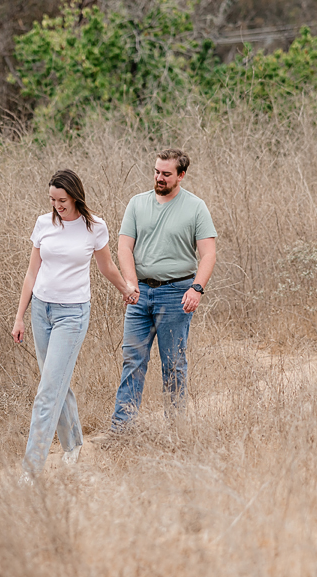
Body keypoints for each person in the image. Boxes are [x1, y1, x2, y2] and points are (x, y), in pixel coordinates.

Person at [12, 169, 137, 481]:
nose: (57, 205)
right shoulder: (44, 224)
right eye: (52, 199)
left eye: (62, 199)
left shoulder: (94, 227)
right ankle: (74, 443)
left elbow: (106, 266)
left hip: (73, 314)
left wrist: (125, 289)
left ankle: (31, 469)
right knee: (55, 382)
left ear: (75, 196)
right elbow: (31, 273)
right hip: (41, 311)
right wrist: (20, 316)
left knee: (47, 391)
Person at [110, 149, 217, 429]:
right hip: (140, 293)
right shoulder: (137, 204)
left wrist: (197, 289)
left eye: (166, 174)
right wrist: (129, 285)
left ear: (181, 176)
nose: (159, 177)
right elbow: (124, 247)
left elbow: (208, 254)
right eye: (157, 171)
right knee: (132, 360)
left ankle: (175, 428)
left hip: (176, 293)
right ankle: (122, 428)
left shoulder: (195, 207)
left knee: (172, 365)